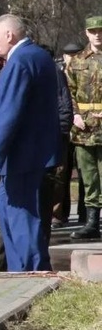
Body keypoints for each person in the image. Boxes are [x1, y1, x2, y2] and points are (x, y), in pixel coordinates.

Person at [0, 14, 60, 272]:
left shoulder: (21, 61)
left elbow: (8, 114)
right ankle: (20, 270)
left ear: (9, 35)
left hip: (21, 155)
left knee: (20, 217)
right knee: (7, 209)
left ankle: (31, 273)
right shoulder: (38, 56)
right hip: (32, 152)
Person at [67, 15, 102, 241]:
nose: (97, 34)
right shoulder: (77, 61)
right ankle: (91, 222)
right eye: (93, 31)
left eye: (100, 30)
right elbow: (69, 91)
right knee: (88, 176)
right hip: (84, 129)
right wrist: (75, 115)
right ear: (86, 33)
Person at [54, 41, 85, 225]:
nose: (72, 59)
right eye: (69, 55)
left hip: (84, 129)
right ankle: (59, 213)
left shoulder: (86, 72)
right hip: (66, 128)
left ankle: (84, 212)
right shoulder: (57, 73)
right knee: (60, 172)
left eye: (76, 55)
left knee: (83, 173)